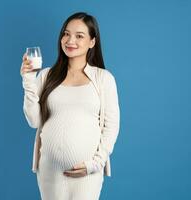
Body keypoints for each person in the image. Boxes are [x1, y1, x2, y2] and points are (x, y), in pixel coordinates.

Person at [20, 12, 120, 200]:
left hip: (87, 174)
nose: (70, 40)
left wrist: (95, 164)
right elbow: (34, 121)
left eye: (79, 36)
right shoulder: (46, 76)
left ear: (92, 42)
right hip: (49, 172)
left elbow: (111, 127)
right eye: (66, 34)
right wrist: (28, 80)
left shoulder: (103, 79)